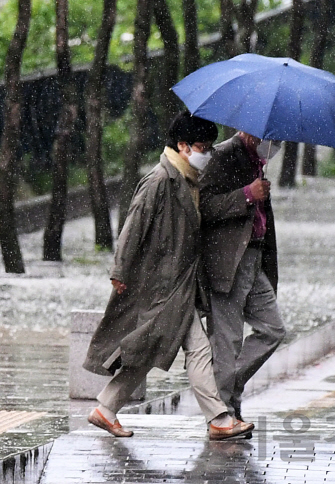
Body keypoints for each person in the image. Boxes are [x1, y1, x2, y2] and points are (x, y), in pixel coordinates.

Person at [83, 111, 253, 441]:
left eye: (210, 147)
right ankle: (218, 419)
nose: (207, 153)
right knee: (198, 348)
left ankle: (105, 409)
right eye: (202, 147)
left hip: (178, 283)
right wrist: (120, 272)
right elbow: (133, 227)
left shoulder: (189, 181)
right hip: (161, 286)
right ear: (182, 145)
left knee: (152, 349)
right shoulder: (160, 180)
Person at [199, 131, 286, 420]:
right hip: (229, 261)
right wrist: (247, 194)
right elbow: (204, 206)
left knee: (273, 329)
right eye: (271, 136)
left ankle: (227, 389)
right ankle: (222, 414)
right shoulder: (223, 155)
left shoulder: (257, 161)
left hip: (255, 259)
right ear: (249, 130)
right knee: (227, 341)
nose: (275, 143)